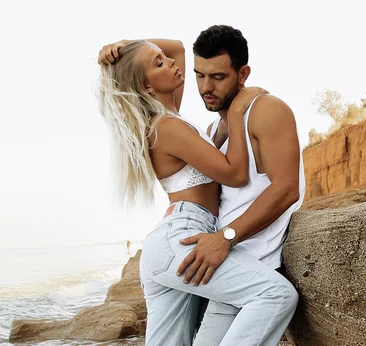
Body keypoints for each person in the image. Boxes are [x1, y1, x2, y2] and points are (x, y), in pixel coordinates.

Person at [97, 38, 298, 346]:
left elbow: (177, 46)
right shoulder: (166, 127)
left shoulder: (168, 114)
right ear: (148, 87)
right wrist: (238, 110)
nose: (172, 62)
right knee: (275, 294)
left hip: (175, 238)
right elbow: (235, 174)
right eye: (160, 63)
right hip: (184, 235)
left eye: (164, 58)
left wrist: (125, 45)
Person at [174, 25, 306, 345]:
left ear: (243, 73)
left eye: (218, 77)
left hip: (254, 273)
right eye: (200, 75)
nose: (206, 86)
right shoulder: (216, 128)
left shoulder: (267, 110)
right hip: (225, 275)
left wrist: (226, 238)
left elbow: (287, 188)